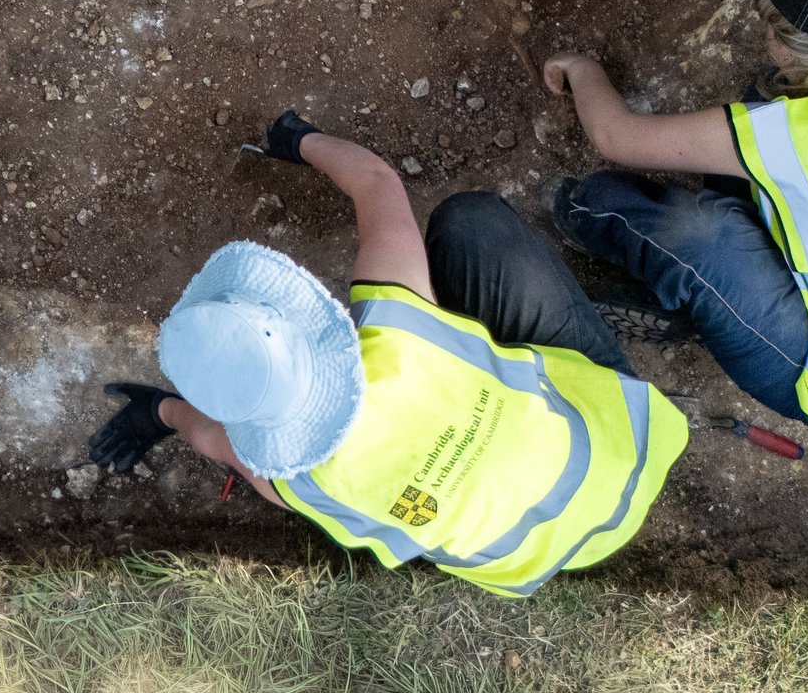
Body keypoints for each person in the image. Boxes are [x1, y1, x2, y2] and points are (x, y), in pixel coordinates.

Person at [87, 111, 686, 597]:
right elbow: (377, 183)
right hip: (623, 440)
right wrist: (299, 140)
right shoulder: (396, 331)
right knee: (470, 220)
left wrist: (158, 412)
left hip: (530, 558)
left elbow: (213, 440)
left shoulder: (301, 482)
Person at [544, 0, 808, 428]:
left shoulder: (805, 135)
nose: (767, 36)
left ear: (797, 48)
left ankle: (573, 209)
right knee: (762, 102)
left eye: (777, 31)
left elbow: (616, 136)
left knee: (705, 237)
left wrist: (580, 66)